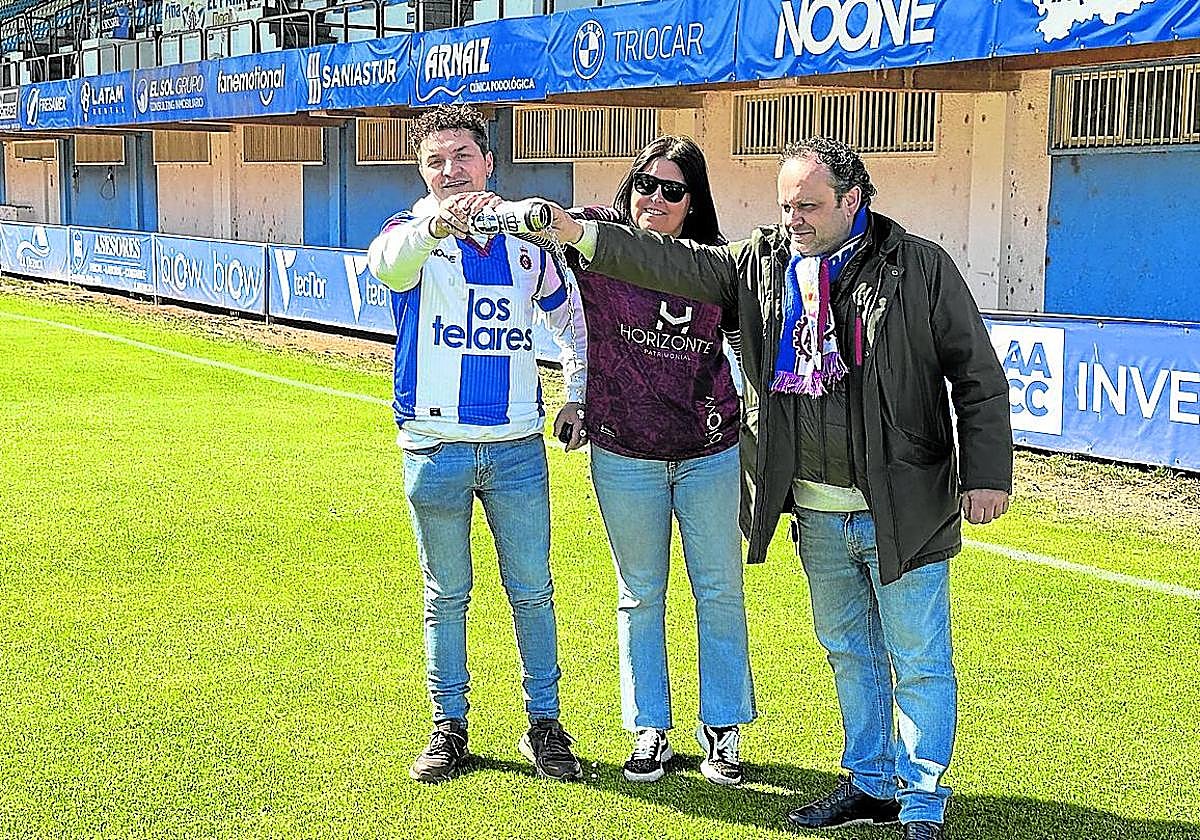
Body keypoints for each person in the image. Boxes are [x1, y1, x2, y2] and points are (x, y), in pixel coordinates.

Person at [545, 137, 1012, 839]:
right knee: (849, 652)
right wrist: (579, 234)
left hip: (904, 503)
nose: (793, 220)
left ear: (852, 201)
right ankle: (872, 783)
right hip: (818, 512)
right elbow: (674, 262)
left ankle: (921, 801)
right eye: (786, 206)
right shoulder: (763, 262)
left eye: (809, 207)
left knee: (919, 660)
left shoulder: (920, 267)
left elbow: (977, 376)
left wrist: (986, 474)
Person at [367, 103, 588, 784]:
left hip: (517, 448)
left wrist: (576, 391)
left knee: (533, 592)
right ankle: (449, 727)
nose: (450, 170)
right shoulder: (408, 232)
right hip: (435, 447)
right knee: (446, 597)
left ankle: (545, 726)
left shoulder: (528, 243)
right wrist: (438, 224)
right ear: (421, 171)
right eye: (435, 160)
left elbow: (573, 323)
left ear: (488, 162)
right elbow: (387, 268)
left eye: (462, 155)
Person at [571, 136, 754, 785]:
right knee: (640, 593)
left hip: (710, 450)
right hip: (624, 451)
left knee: (719, 591)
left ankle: (723, 728)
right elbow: (550, 230)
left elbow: (745, 348)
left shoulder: (716, 266)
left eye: (672, 190)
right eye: (645, 184)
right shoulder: (597, 244)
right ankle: (650, 727)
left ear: (692, 202)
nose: (656, 197)